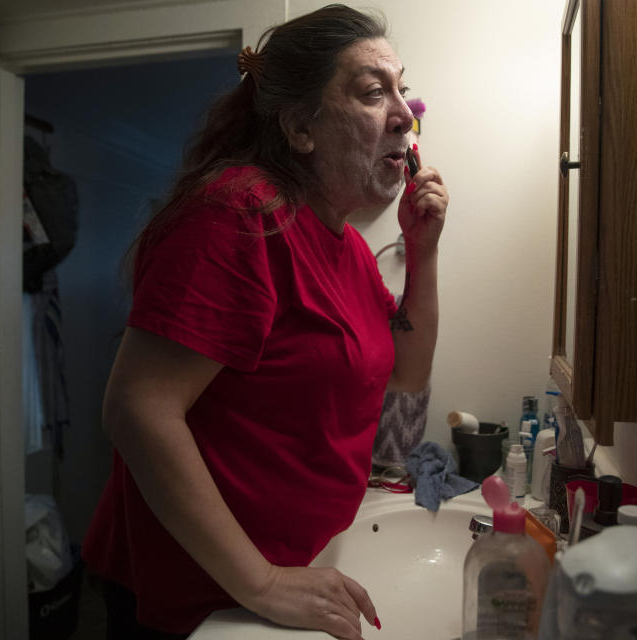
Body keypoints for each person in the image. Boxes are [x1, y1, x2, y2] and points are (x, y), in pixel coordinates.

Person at [81, 5, 449, 639]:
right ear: (300, 128)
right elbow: (138, 409)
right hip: (204, 596)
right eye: (373, 92)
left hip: (292, 570)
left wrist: (423, 250)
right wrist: (261, 580)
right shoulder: (238, 214)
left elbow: (404, 382)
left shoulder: (349, 246)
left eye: (402, 91)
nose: (404, 113)